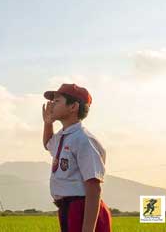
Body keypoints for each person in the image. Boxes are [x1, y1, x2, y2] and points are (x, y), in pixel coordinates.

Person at [42, 83, 112, 232]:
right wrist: (48, 123)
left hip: (83, 209)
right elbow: (48, 144)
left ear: (73, 107)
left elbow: (94, 187)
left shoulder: (83, 140)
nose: (51, 105)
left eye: (57, 101)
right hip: (67, 208)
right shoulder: (63, 135)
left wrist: (88, 229)